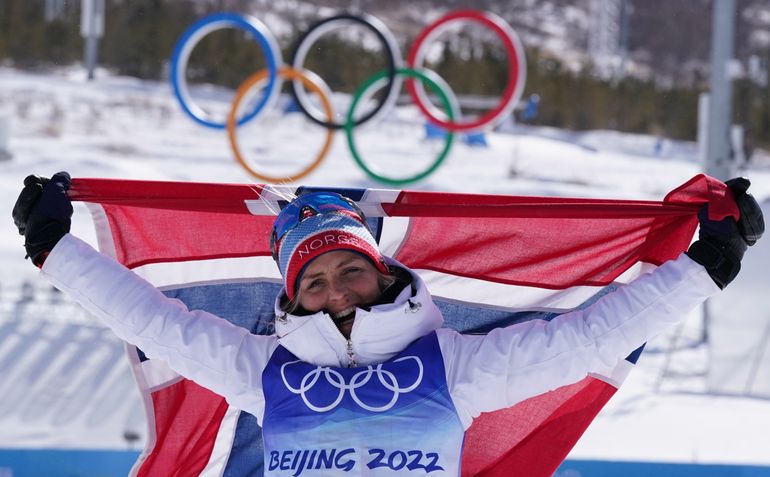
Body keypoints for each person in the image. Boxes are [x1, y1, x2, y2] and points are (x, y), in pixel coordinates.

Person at [12, 172, 765, 476]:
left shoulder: (453, 367)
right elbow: (159, 322)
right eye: (313, 279)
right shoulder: (265, 371)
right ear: (293, 297)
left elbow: (585, 338)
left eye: (347, 269)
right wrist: (55, 248)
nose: (334, 289)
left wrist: (707, 266)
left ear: (381, 271)